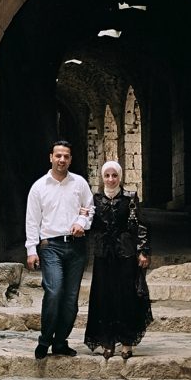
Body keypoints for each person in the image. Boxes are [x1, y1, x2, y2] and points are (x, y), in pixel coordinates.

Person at [25, 140, 93, 359]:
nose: (62, 159)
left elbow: (89, 209)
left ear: (70, 159)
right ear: (51, 157)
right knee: (54, 292)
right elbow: (32, 220)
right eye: (58, 156)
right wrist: (31, 250)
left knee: (71, 298)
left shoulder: (80, 184)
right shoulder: (39, 187)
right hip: (50, 247)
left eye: (66, 156)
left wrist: (81, 223)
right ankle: (45, 340)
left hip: (76, 247)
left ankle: (60, 341)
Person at [84, 160, 153, 360]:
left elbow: (142, 225)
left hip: (126, 254)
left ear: (119, 177)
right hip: (103, 255)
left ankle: (126, 342)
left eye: (114, 175)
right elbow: (90, 224)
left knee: (126, 297)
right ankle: (107, 341)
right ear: (102, 177)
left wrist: (144, 251)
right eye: (107, 176)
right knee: (104, 297)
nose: (111, 179)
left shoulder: (130, 198)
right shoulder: (95, 199)